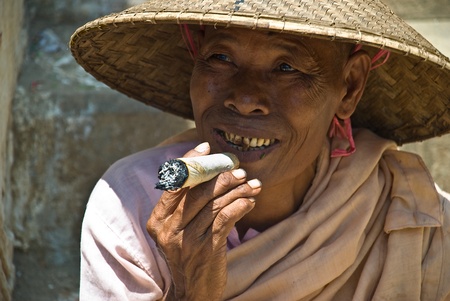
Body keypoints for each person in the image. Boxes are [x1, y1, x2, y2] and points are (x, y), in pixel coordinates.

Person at [70, 0, 450, 300]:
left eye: (286, 67)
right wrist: (191, 290)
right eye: (221, 58)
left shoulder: (412, 219)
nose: (246, 98)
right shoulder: (128, 206)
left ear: (349, 87)